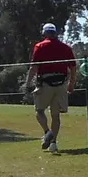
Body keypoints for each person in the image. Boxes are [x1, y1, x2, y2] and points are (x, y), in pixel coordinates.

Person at [30, 22, 77, 152]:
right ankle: (53, 144)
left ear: (44, 33)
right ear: (55, 33)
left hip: (45, 83)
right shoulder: (65, 47)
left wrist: (28, 83)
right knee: (55, 115)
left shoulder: (39, 46)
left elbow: (34, 67)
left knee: (39, 111)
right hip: (61, 83)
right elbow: (73, 67)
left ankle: (47, 132)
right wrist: (72, 83)